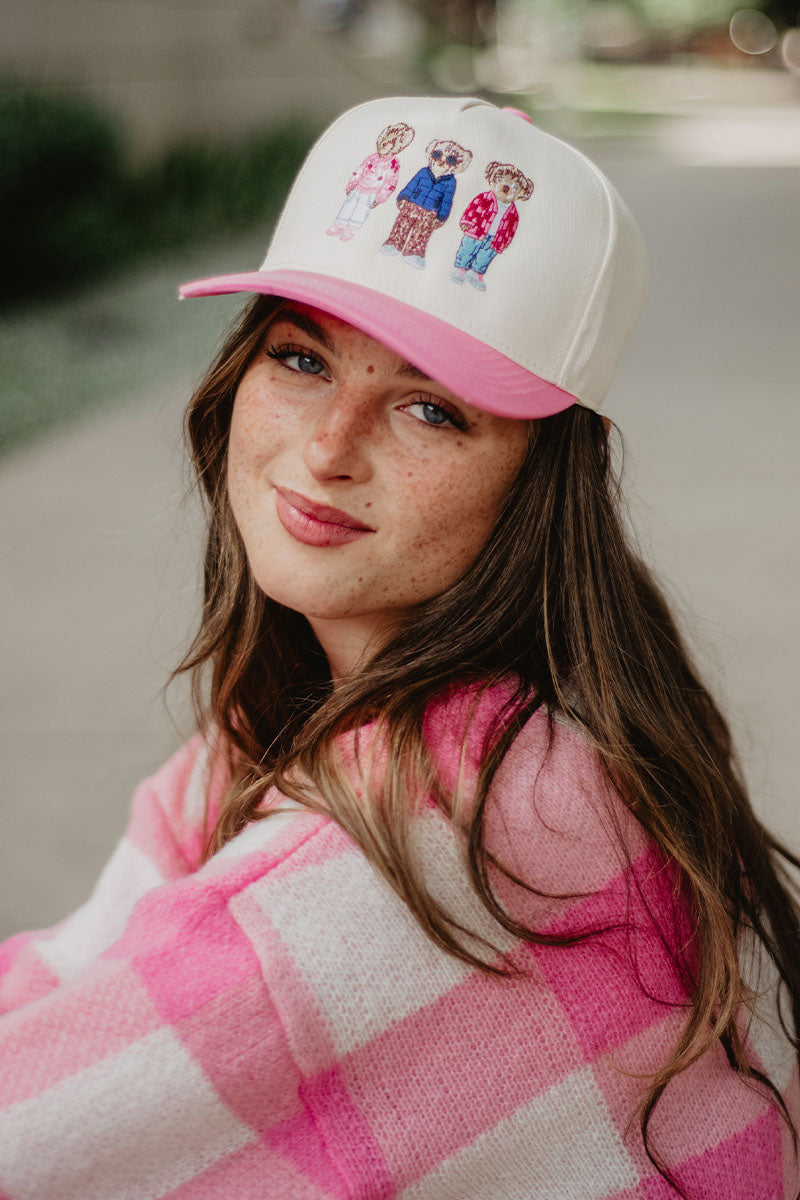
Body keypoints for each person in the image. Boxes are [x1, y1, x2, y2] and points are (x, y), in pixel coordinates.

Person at [0, 96, 798, 1200]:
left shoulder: (447, 837)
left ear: (543, 483)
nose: (328, 447)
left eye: (431, 409)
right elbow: (74, 970)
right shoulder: (441, 721)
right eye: (301, 358)